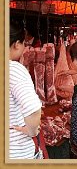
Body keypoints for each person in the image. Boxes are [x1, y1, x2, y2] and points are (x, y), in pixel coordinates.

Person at [9, 21, 42, 159]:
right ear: (16, 44)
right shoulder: (13, 69)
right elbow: (33, 109)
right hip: (15, 151)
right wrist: (31, 131)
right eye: (23, 44)